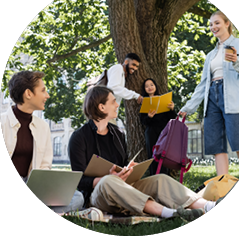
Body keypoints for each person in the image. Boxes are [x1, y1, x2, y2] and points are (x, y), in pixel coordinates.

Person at [68, 85, 218, 221]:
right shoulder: (79, 137)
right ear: (101, 107)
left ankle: (208, 206)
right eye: (113, 101)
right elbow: (78, 180)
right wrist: (105, 178)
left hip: (124, 187)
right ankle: (168, 212)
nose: (117, 105)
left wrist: (128, 169)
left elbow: (121, 164)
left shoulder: (118, 134)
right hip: (98, 196)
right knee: (108, 181)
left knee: (161, 179)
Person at [179, 11, 239, 176]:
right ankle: (222, 184)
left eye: (217, 23)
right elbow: (203, 85)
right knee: (216, 146)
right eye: (211, 24)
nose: (213, 27)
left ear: (227, 23)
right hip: (211, 98)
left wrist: (236, 61)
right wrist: (189, 107)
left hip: (233, 99)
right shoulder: (210, 55)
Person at [1, 70, 84, 214]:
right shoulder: (2, 122)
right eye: (43, 90)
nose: (47, 95)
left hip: (31, 187)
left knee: (77, 197)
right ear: (28, 94)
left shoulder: (43, 127)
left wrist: (46, 186)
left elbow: (45, 166)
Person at [139, 78, 177, 176]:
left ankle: (165, 178)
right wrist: (149, 117)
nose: (150, 87)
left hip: (164, 131)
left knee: (165, 155)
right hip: (151, 132)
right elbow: (143, 121)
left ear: (155, 86)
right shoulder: (144, 102)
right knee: (152, 156)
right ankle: (154, 178)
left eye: (151, 85)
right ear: (144, 89)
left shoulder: (164, 100)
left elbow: (172, 118)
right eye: (146, 86)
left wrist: (172, 109)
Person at [107, 53, 143, 122]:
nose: (135, 68)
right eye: (133, 64)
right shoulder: (118, 68)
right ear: (126, 62)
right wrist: (136, 95)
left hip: (110, 114)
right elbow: (113, 87)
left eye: (137, 66)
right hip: (105, 113)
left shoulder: (122, 73)